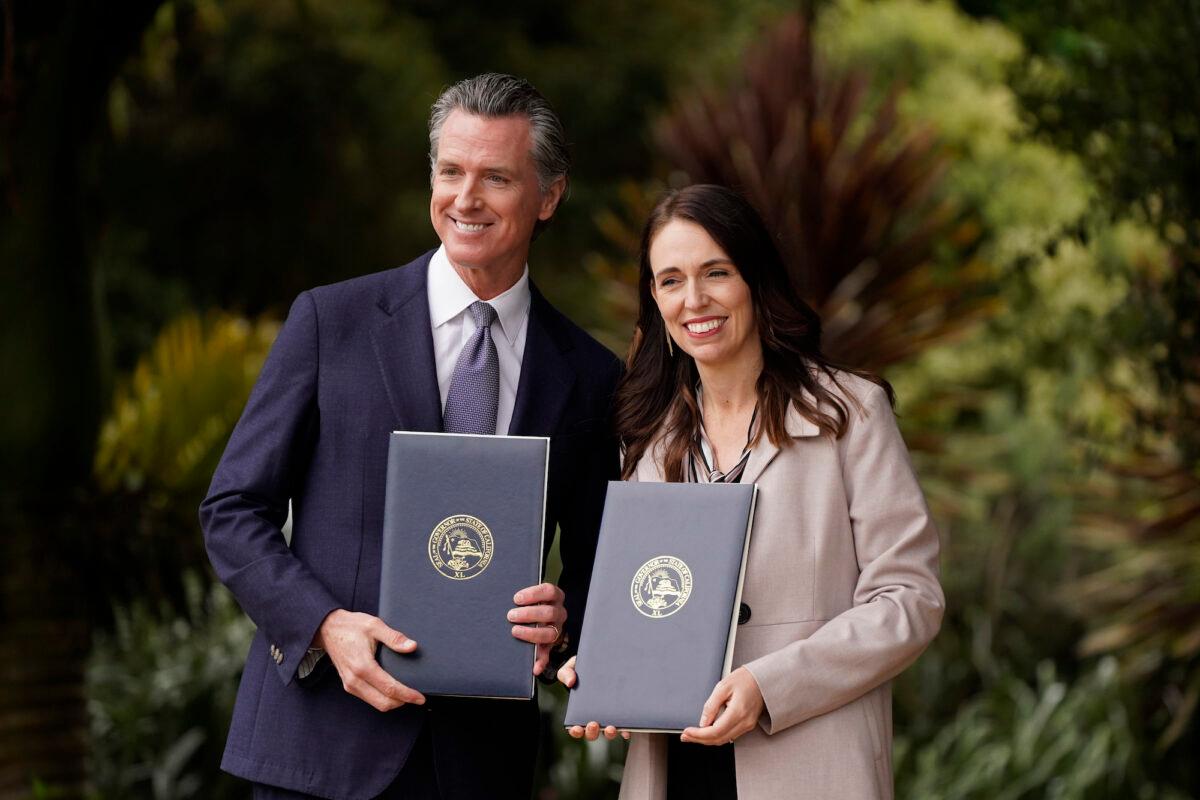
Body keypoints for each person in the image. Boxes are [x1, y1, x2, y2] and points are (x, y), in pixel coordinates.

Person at [200, 73, 622, 800]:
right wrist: (324, 626)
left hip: (480, 766)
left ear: (549, 196)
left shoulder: (589, 375)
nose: (466, 198)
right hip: (317, 746)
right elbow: (233, 511)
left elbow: (597, 568)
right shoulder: (330, 323)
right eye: (451, 171)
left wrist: (566, 618)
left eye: (496, 177)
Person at [557, 184, 943, 800]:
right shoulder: (648, 441)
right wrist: (605, 666)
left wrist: (771, 685)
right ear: (654, 299)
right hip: (674, 774)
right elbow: (647, 600)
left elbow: (909, 599)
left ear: (754, 279)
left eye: (717, 272)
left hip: (814, 766)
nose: (696, 300)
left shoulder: (850, 415)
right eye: (671, 280)